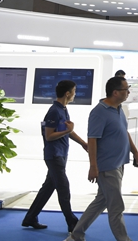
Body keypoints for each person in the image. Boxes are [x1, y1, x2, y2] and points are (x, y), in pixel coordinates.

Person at [64, 76, 138, 241]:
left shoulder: (119, 108)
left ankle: (75, 236)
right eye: (126, 89)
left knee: (101, 202)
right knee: (116, 207)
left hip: (119, 163)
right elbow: (92, 140)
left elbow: (124, 132)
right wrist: (93, 166)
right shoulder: (99, 112)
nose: (128, 92)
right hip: (107, 167)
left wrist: (135, 152)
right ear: (115, 92)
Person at [21, 80, 88, 233]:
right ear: (67, 93)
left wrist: (83, 143)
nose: (75, 94)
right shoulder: (54, 111)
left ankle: (30, 217)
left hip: (60, 154)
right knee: (63, 188)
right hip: (54, 155)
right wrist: (67, 131)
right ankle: (72, 222)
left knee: (48, 188)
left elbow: (68, 131)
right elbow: (49, 136)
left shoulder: (63, 109)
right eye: (74, 91)